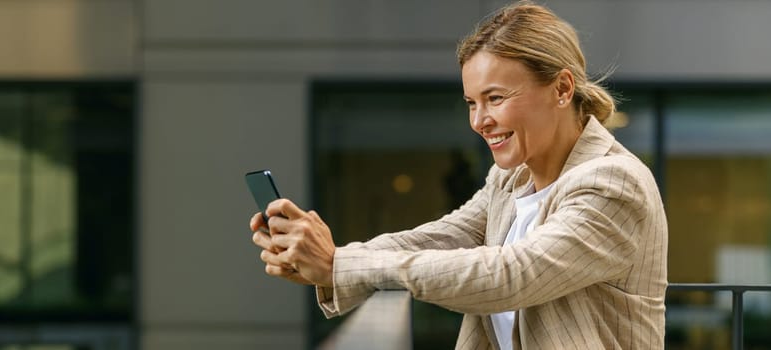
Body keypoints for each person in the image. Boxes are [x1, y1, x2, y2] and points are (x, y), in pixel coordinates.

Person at [249, 1, 667, 349]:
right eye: (471, 103)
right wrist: (331, 259)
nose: (480, 121)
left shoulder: (613, 182)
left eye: (495, 98)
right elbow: (442, 237)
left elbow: (510, 275)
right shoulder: (511, 178)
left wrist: (340, 264)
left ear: (561, 89)